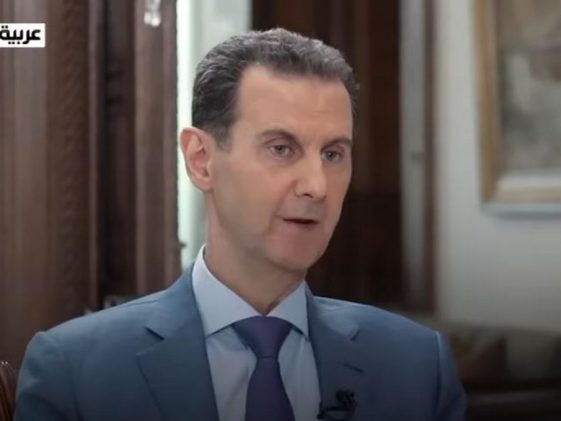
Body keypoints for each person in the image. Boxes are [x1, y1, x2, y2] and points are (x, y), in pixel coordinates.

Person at [15, 28, 465, 421]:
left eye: (333, 154)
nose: (316, 186)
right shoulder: (74, 372)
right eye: (281, 149)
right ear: (201, 160)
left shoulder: (418, 367)